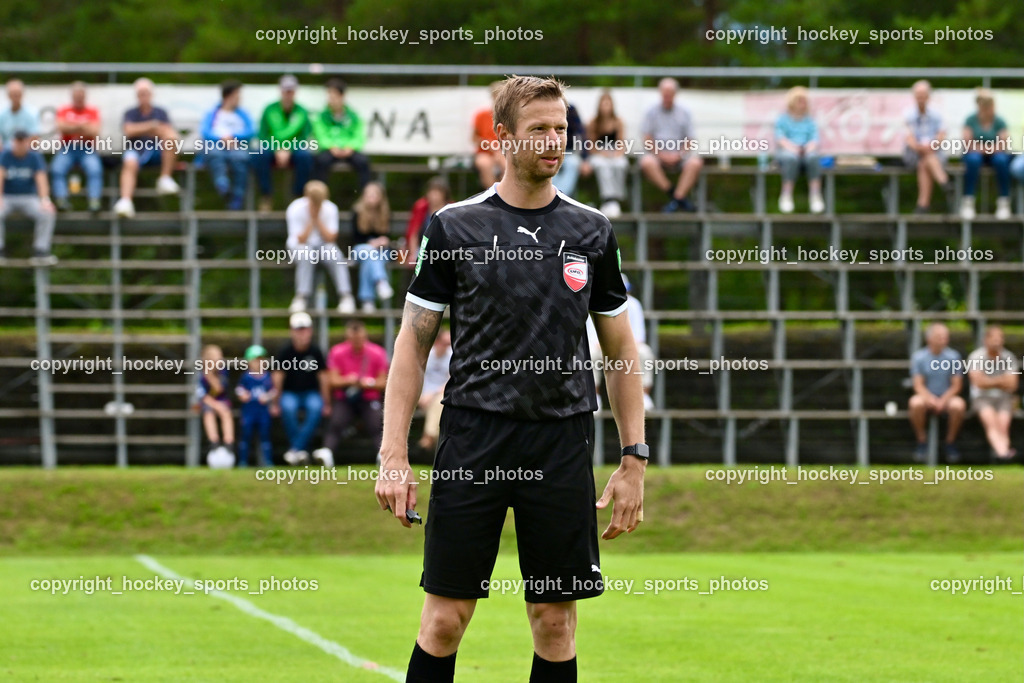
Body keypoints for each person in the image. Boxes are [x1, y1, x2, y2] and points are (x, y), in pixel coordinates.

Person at [377, 75, 646, 683]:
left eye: (561, 128)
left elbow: (620, 350)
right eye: (539, 129)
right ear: (502, 137)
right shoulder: (454, 227)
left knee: (555, 622)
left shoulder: (591, 231)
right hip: (474, 436)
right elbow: (411, 345)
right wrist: (393, 455)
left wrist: (634, 457)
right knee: (445, 619)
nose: (554, 141)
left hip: (561, 439)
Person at [318, 319, 389, 465]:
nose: (357, 342)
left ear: (365, 337)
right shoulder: (337, 352)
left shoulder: (377, 353)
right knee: (336, 421)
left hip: (369, 397)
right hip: (345, 397)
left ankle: (383, 456)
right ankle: (327, 453)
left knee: (376, 423)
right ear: (347, 338)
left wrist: (368, 383)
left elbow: (384, 382)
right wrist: (348, 380)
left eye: (360, 339)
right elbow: (332, 380)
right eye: (353, 339)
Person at [285, 180, 355, 314]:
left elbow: (331, 238)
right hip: (301, 245)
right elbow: (301, 239)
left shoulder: (331, 208)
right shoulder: (295, 208)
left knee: (336, 256)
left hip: (323, 245)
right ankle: (301, 297)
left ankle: (345, 296)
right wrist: (311, 220)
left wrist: (317, 219)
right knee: (306, 254)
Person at [115, 77, 181, 218]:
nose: (144, 96)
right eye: (141, 93)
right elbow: (129, 130)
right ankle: (125, 201)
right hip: (136, 150)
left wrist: (141, 129)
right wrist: (152, 126)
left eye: (146, 93)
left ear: (151, 94)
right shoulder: (130, 112)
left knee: (171, 140)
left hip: (157, 151)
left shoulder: (161, 112)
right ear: (137, 95)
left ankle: (165, 178)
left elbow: (169, 133)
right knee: (129, 162)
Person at [272, 312, 331, 465]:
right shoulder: (285, 352)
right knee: (288, 408)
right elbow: (278, 377)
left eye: (305, 329)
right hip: (290, 393)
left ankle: (295, 449)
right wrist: (275, 402)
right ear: (292, 331)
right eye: (299, 330)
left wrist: (326, 402)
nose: (302, 333)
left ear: (310, 330)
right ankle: (301, 450)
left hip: (311, 393)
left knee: (316, 407)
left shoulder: (315, 351)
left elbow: (323, 377)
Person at [639, 77, 703, 212]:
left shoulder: (685, 112)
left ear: (675, 94)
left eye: (670, 93)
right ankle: (677, 197)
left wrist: (679, 155)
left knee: (695, 163)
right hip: (657, 155)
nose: (667, 96)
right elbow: (647, 138)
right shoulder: (651, 112)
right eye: (665, 93)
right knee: (646, 162)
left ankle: (676, 199)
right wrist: (661, 154)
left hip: (679, 155)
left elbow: (690, 139)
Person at [254, 74, 314, 212]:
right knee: (259, 155)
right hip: (272, 149)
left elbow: (304, 137)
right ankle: (266, 195)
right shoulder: (270, 109)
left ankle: (298, 196)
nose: (288, 94)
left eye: (291, 91)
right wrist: (277, 148)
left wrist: (289, 149)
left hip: (294, 150)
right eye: (286, 91)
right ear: (280, 91)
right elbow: (262, 135)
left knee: (305, 157)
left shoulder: (302, 111)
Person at [908, 323, 966, 463]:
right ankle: (922, 442)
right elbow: (918, 385)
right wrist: (930, 399)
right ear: (929, 338)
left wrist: (943, 400)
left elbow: (957, 385)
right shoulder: (919, 357)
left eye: (945, 336)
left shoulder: (954, 356)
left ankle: (950, 442)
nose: (944, 339)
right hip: (926, 397)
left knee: (958, 405)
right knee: (915, 403)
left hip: (947, 397)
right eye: (940, 336)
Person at [0, 130, 56, 265]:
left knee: (47, 212)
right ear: (13, 142)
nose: (20, 145)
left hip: (29, 198)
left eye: (22, 141)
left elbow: (41, 179)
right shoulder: (5, 155)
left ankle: (41, 251)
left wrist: (45, 200)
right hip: (7, 197)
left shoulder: (34, 157)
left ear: (27, 142)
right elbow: (0, 176)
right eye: (17, 141)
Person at [200, 79, 255, 210]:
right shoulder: (213, 113)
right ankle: (222, 184)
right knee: (214, 154)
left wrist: (234, 138)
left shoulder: (242, 114)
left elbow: (251, 131)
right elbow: (205, 132)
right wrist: (221, 139)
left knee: (240, 158)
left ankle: (237, 195)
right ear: (229, 96)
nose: (240, 98)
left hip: (237, 146)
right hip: (216, 146)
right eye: (237, 95)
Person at [967, 326, 1019, 462]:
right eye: (994, 338)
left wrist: (989, 381)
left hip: (1004, 398)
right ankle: (1004, 454)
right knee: (991, 422)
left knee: (1003, 423)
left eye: (1000, 338)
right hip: (982, 398)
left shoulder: (1009, 357)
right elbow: (978, 383)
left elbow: (1013, 385)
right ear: (986, 340)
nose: (997, 342)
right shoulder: (976, 357)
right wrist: (1001, 380)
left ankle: (1003, 453)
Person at [50, 81, 103, 213]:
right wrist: (82, 126)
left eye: (81, 95)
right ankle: (61, 200)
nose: (79, 98)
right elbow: (60, 127)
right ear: (72, 96)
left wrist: (71, 126)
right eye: (76, 95)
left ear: (85, 96)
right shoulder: (64, 110)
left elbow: (95, 131)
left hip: (87, 148)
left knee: (95, 169)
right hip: (67, 148)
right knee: (57, 169)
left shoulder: (92, 110)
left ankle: (94, 201)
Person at [960, 89, 1011, 221]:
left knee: (1001, 161)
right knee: (973, 160)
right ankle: (968, 200)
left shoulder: (999, 121)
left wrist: (985, 149)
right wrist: (988, 149)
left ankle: (1004, 201)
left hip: (994, 155)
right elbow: (967, 143)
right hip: (976, 155)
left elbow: (1004, 143)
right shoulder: (970, 120)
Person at [904, 80, 953, 214]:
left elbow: (941, 136)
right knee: (927, 157)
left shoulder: (937, 115)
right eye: (918, 96)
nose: (921, 99)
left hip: (932, 155)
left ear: (928, 96)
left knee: (924, 163)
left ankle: (923, 205)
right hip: (915, 155)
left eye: (923, 96)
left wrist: (930, 146)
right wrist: (923, 148)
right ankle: (944, 182)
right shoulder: (908, 115)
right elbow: (910, 140)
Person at [312, 78, 371, 191]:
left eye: (333, 96)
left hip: (349, 149)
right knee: (320, 161)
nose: (331, 100)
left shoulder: (353, 116)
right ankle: (320, 195)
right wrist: (331, 146)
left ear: (342, 96)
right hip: (330, 149)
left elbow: (358, 136)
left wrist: (350, 147)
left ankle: (365, 195)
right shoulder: (322, 116)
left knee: (363, 162)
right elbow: (320, 135)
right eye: (329, 96)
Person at [775, 86, 824, 215]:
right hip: (788, 152)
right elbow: (780, 139)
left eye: (804, 101)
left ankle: (815, 195)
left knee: (813, 157)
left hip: (806, 152)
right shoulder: (783, 119)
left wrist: (807, 148)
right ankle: (786, 195)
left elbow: (814, 139)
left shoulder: (810, 120)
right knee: (790, 158)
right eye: (800, 101)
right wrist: (794, 148)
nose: (803, 104)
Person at [350, 181, 394, 312]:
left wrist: (382, 241)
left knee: (369, 260)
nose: (371, 198)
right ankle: (381, 281)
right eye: (369, 195)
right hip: (360, 249)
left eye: (374, 195)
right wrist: (372, 243)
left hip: (381, 252)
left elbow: (387, 237)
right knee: (369, 252)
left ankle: (367, 300)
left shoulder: (386, 214)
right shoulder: (357, 212)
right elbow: (356, 238)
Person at [586, 90, 629, 218]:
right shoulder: (593, 122)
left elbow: (621, 142)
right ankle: (608, 199)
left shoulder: (618, 122)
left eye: (608, 104)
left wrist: (617, 153)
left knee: (621, 165)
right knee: (602, 166)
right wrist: (601, 152)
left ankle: (616, 199)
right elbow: (590, 145)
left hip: (614, 152)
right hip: (599, 153)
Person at [235, 345, 277, 467]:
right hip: (248, 411)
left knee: (265, 437)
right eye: (255, 360)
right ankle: (243, 461)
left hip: (263, 411)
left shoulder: (267, 377)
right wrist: (243, 395)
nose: (258, 363)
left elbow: (273, 391)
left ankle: (268, 461)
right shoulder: (246, 377)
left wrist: (267, 397)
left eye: (261, 360)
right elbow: (239, 389)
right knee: (246, 436)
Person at [195, 344, 235, 460]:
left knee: (226, 413)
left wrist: (210, 376)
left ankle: (229, 442)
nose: (221, 359)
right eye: (217, 356)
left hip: (221, 400)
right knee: (208, 413)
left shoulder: (223, 371)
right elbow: (201, 395)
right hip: (207, 402)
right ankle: (214, 441)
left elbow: (219, 389)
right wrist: (207, 374)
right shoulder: (200, 373)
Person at [416, 329, 451, 453]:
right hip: (422, 395)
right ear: (437, 342)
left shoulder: (452, 357)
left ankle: (428, 437)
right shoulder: (426, 356)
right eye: (445, 343)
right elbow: (417, 378)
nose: (448, 346)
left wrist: (431, 394)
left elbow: (450, 381)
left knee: (439, 402)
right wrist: (420, 395)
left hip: (441, 395)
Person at [404, 176, 451, 266]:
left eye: (437, 192)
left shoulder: (451, 208)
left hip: (445, 248)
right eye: (432, 192)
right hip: (423, 248)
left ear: (444, 194)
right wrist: (413, 254)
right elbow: (413, 233)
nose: (434, 196)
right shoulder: (421, 207)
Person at [551, 103, 590, 197]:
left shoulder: (571, 109)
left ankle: (560, 196)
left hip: (568, 152)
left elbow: (580, 134)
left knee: (573, 163)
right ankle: (552, 196)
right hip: (549, 152)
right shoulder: (546, 107)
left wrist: (585, 159)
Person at [0, 79, 39, 149]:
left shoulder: (32, 113)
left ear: (22, 94)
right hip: (5, 151)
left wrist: (20, 148)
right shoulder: (2, 114)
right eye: (13, 94)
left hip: (27, 151)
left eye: (17, 94)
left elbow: (35, 139)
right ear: (8, 95)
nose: (15, 96)